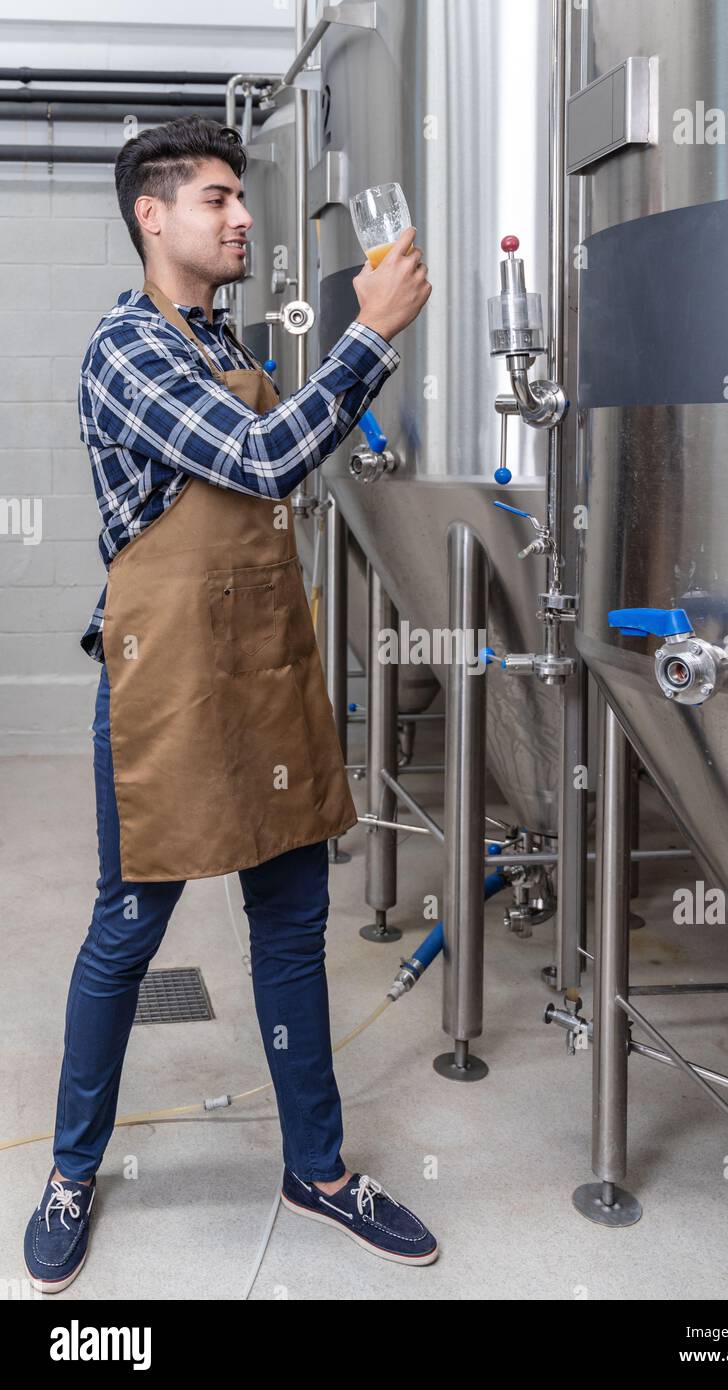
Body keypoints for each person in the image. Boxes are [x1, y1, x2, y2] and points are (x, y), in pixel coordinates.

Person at [23, 116, 436, 1294]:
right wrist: (369, 340)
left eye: (239, 197)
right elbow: (260, 459)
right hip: (164, 695)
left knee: (291, 927)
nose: (242, 215)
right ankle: (68, 1168)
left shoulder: (221, 341)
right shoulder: (127, 351)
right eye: (216, 198)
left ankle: (316, 1167)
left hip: (261, 680)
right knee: (128, 932)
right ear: (152, 216)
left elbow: (280, 452)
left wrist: (355, 361)